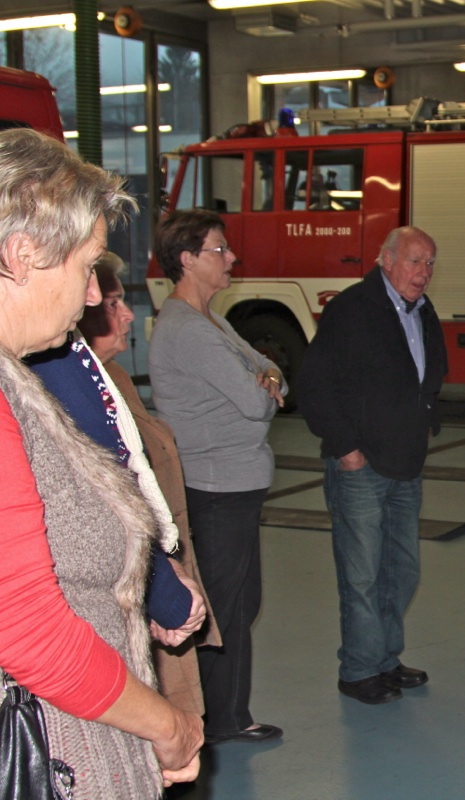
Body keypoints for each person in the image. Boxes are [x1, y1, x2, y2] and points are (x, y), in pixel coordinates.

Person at [0, 128, 203, 795]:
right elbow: (26, 627)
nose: (94, 296)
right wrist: (166, 726)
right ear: (23, 254)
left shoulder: (18, 380)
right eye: (87, 266)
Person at [149, 209, 286, 745]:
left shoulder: (212, 321)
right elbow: (258, 402)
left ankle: (228, 714)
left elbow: (273, 371)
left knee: (240, 602)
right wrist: (263, 384)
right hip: (216, 489)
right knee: (222, 608)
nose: (232, 258)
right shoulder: (187, 330)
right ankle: (212, 721)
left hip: (236, 486)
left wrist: (267, 376)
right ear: (187, 259)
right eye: (219, 249)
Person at [297, 226, 447, 706]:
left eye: (430, 263)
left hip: (406, 463)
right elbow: (314, 385)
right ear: (386, 260)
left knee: (401, 570)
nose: (423, 272)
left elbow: (430, 374)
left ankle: (384, 658)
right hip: (360, 466)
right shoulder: (351, 309)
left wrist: (427, 422)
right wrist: (346, 448)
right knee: (362, 575)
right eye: (414, 261)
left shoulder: (423, 312)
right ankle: (359, 670)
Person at [78, 253, 221, 717]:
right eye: (113, 304)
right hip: (126, 588)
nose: (126, 315)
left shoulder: (116, 378)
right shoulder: (73, 393)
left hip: (159, 569)